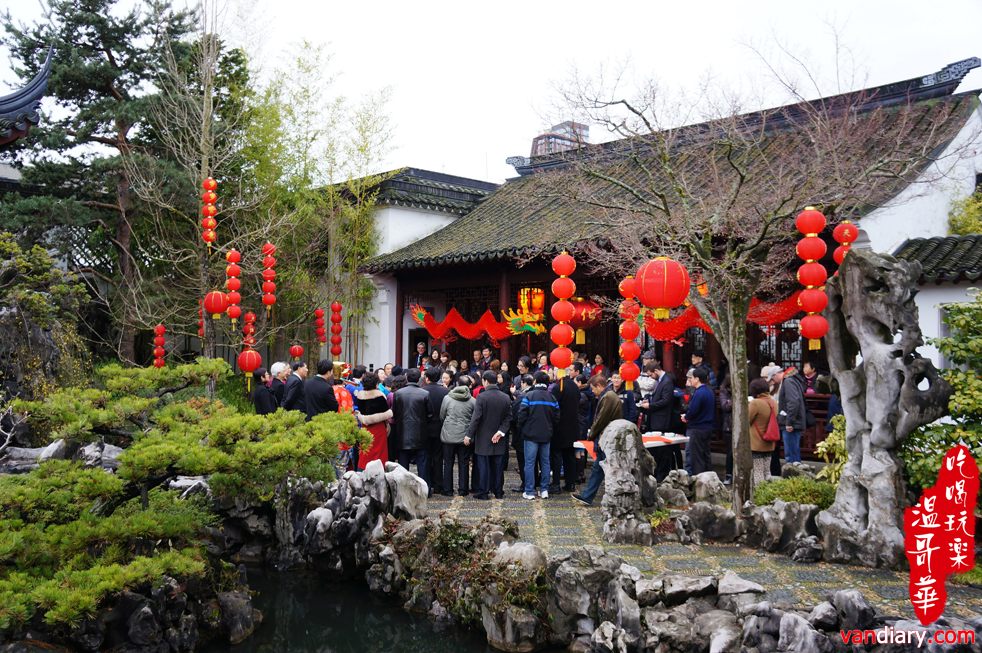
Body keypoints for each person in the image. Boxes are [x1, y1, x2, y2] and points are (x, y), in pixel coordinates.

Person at [571, 374, 623, 506]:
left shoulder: (609, 396)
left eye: (593, 388)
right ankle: (587, 496)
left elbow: (601, 419)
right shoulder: (607, 395)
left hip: (609, 438)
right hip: (606, 437)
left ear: (600, 386)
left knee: (609, 469)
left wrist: (592, 434)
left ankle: (617, 497)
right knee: (598, 468)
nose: (592, 391)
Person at [466, 370, 512, 500]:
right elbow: (509, 417)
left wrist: (469, 435)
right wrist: (501, 432)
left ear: (485, 381)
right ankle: (498, 491)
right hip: (499, 437)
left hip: (483, 437)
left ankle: (483, 492)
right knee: (498, 466)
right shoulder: (505, 397)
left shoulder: (481, 397)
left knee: (483, 466)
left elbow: (476, 418)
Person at [516, 371, 559, 500]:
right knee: (545, 463)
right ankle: (544, 490)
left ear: (534, 381)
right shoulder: (552, 398)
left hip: (530, 435)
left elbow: (521, 416)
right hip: (546, 434)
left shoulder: (528, 396)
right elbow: (557, 418)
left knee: (529, 463)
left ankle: (529, 491)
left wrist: (523, 428)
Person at [392, 368, 433, 492]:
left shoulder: (398, 394)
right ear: (419, 379)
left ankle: (402, 490)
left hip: (403, 431)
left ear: (407, 378)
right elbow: (430, 414)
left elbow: (395, 412)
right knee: (422, 464)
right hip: (420, 432)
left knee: (403, 464)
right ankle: (425, 490)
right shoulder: (424, 393)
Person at [639, 362, 678, 481]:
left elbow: (666, 400)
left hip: (662, 419)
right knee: (655, 448)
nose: (651, 378)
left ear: (656, 370)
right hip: (656, 418)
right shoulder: (661, 381)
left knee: (663, 449)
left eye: (651, 375)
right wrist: (649, 400)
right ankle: (656, 471)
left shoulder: (667, 381)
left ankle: (662, 472)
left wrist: (651, 405)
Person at [440, 376, 475, 496]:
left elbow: (442, 415)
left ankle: (448, 489)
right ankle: (463, 489)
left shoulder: (447, 398)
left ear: (456, 384)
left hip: (449, 435)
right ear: (469, 385)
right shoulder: (472, 400)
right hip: (465, 436)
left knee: (448, 463)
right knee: (464, 463)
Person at [421, 367, 450, 495]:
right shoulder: (445, 391)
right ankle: (438, 485)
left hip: (425, 428)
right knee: (438, 457)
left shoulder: (421, 391)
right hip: (440, 426)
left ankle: (427, 483)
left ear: (427, 378)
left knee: (426, 457)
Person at [550, 373, 581, 493]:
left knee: (556, 456)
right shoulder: (574, 386)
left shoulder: (559, 387)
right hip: (573, 426)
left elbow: (554, 406)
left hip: (559, 427)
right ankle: (570, 483)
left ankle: (556, 483)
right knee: (570, 455)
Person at [682, 367, 715, 475]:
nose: (691, 380)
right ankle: (709, 479)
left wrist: (686, 417)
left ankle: (699, 481)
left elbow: (693, 410)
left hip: (697, 428)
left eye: (692, 377)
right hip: (707, 427)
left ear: (697, 379)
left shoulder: (698, 393)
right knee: (706, 456)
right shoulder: (709, 392)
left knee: (697, 457)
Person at [354, 374, 391, 468]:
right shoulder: (379, 395)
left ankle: (363, 470)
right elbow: (386, 413)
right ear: (376, 383)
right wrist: (386, 424)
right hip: (378, 427)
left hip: (365, 427)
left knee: (366, 451)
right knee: (379, 452)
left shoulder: (360, 395)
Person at [509, 374, 536, 492]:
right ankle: (535, 481)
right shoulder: (539, 395)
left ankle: (526, 483)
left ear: (524, 384)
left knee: (524, 460)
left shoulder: (521, 397)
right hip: (538, 432)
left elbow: (515, 416)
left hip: (522, 433)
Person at [748, 378, 777, 484]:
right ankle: (768, 493)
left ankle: (759, 494)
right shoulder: (774, 403)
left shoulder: (755, 403)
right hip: (769, 441)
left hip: (756, 442)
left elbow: (747, 420)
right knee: (767, 470)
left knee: (758, 470)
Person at [777, 366, 807, 464]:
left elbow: (793, 402)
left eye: (772, 378)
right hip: (796, 421)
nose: (773, 381)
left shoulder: (788, 381)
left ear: (776, 374)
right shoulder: (795, 380)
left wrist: (789, 422)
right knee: (793, 451)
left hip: (792, 423)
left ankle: (792, 475)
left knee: (791, 454)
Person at [719, 373, 734, 485]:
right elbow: (725, 407)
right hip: (729, 425)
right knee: (730, 452)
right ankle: (728, 474)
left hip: (739, 426)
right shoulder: (724, 393)